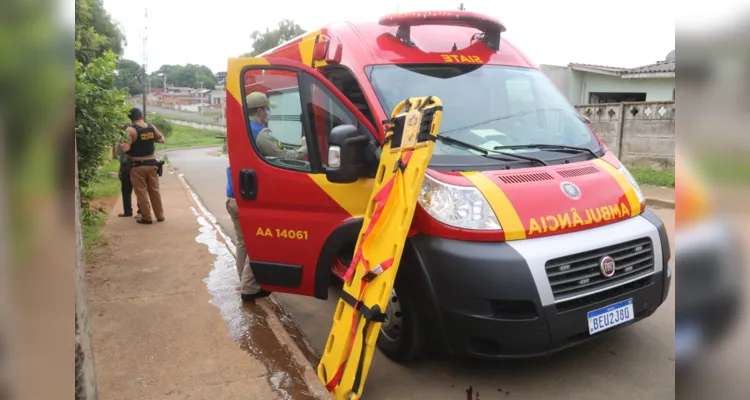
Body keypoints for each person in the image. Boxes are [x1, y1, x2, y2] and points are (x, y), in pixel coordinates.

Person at [225, 164, 271, 302]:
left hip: (232, 200)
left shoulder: (235, 154)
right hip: (246, 201)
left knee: (243, 242)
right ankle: (249, 288)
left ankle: (244, 281)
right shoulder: (257, 145)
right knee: (260, 242)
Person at [120, 107, 165, 225]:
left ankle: (146, 217)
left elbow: (126, 148)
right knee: (154, 191)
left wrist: (122, 142)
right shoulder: (151, 127)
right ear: (142, 116)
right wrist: (148, 141)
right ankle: (160, 216)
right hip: (152, 164)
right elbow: (161, 140)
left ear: (130, 118)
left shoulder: (131, 130)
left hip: (137, 166)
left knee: (141, 192)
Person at [245, 92, 307, 160]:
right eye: (267, 108)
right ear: (260, 111)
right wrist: (305, 147)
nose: (269, 112)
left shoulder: (244, 126)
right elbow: (286, 156)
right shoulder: (261, 134)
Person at [117, 142, 142, 218]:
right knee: (126, 191)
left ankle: (141, 211)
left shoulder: (137, 140)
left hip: (135, 168)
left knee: (139, 191)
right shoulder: (123, 139)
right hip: (125, 169)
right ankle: (127, 211)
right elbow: (120, 157)